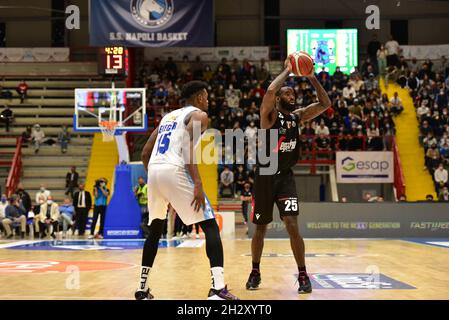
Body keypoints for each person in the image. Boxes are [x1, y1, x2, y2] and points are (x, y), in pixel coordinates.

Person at [136, 80, 238, 300]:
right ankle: (218, 289)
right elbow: (186, 148)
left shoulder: (166, 118)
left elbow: (145, 153)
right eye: (207, 97)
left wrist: (159, 179)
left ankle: (142, 289)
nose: (208, 101)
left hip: (153, 171)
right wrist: (198, 184)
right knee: (210, 225)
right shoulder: (199, 115)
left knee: (155, 230)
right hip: (174, 169)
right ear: (199, 97)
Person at [247, 54, 331, 294]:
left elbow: (325, 104)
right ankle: (255, 270)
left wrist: (312, 77)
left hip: (285, 176)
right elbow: (269, 93)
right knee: (260, 227)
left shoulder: (297, 117)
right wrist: (288, 70)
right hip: (265, 175)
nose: (292, 96)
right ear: (279, 99)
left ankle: (303, 274)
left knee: (292, 224)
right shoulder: (269, 115)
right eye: (288, 94)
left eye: (294, 94)